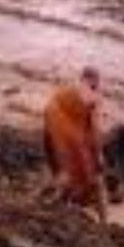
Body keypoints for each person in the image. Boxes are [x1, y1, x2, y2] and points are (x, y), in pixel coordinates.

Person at [43, 66, 108, 224]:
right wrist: (99, 154)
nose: (99, 84)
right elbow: (95, 128)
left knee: (63, 171)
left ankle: (50, 203)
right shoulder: (93, 96)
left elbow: (49, 109)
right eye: (98, 81)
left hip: (52, 130)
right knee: (96, 180)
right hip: (70, 136)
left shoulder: (67, 89)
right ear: (93, 80)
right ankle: (104, 221)